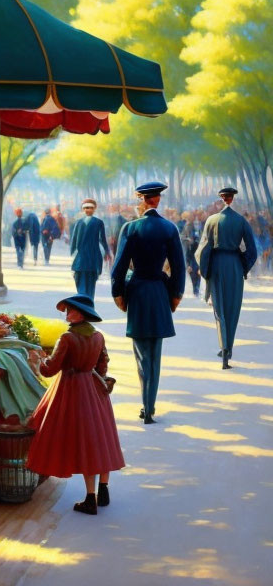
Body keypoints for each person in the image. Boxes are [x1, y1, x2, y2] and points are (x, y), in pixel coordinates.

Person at [26, 294, 124, 515]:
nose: (66, 313)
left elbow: (50, 369)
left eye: (70, 310)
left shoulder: (67, 338)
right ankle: (104, 489)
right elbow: (103, 363)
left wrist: (37, 360)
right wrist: (99, 381)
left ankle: (90, 498)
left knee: (84, 443)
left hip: (71, 389)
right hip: (94, 388)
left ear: (81, 313)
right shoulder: (98, 336)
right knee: (101, 438)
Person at [111, 181, 185, 424]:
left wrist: (118, 294)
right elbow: (179, 268)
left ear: (142, 200)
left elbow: (119, 267)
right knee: (155, 352)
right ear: (158, 200)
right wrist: (175, 296)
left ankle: (146, 406)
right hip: (160, 293)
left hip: (139, 293)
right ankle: (150, 406)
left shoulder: (130, 228)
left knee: (142, 353)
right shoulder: (169, 228)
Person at [195, 187, 257, 369]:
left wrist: (205, 270)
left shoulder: (211, 220)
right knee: (233, 308)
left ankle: (223, 349)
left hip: (216, 265)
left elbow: (203, 249)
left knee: (219, 309)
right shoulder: (241, 221)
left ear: (221, 199)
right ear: (233, 198)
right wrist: (244, 267)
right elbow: (252, 250)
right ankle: (229, 348)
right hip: (235, 265)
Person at [70, 199, 111, 299]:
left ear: (94, 209)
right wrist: (72, 253)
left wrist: (107, 252)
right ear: (83, 209)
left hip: (92, 255)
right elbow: (74, 239)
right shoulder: (79, 223)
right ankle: (84, 301)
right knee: (80, 279)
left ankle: (87, 302)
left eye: (90, 208)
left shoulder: (98, 223)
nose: (88, 210)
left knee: (91, 282)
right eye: (86, 208)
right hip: (82, 257)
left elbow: (103, 239)